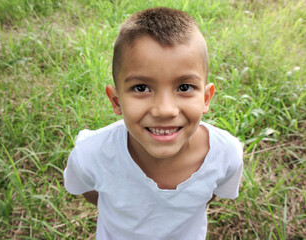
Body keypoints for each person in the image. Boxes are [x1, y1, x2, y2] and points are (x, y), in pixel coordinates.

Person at [64, 7, 243, 240]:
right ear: (116, 101)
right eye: (141, 88)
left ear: (206, 99)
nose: (165, 110)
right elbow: (90, 193)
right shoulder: (91, 155)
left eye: (184, 87)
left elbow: (209, 194)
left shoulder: (226, 154)